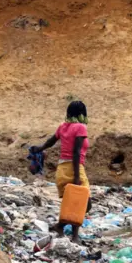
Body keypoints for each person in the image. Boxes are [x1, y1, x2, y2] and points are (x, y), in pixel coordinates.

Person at [31, 101, 90, 243]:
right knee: (83, 203)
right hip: (74, 167)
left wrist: (39, 149)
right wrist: (76, 176)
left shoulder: (63, 126)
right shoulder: (81, 127)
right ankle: (70, 233)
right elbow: (76, 152)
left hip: (62, 168)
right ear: (82, 114)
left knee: (74, 201)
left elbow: (51, 141)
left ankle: (63, 228)